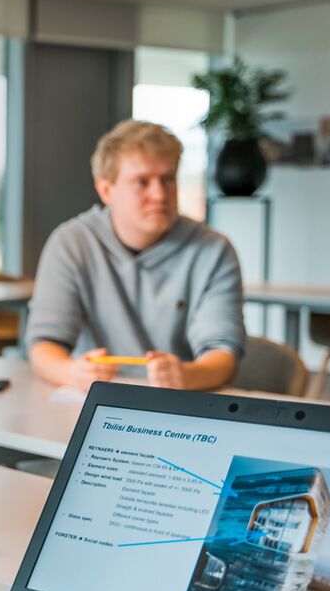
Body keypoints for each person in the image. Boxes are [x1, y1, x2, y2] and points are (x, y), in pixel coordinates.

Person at [26, 119, 245, 392]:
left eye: (167, 180)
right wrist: (73, 372)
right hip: (91, 400)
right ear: (106, 190)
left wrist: (186, 375)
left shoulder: (214, 250)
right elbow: (44, 345)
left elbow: (223, 354)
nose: (159, 194)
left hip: (180, 404)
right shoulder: (71, 243)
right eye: (142, 182)